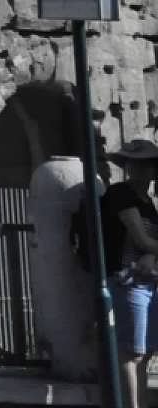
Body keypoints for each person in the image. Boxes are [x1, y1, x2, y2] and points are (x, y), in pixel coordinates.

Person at [107, 139, 158, 404]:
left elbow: (150, 245)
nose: (138, 168)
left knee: (146, 352)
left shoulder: (147, 201)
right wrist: (150, 252)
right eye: (133, 163)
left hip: (149, 280)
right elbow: (141, 239)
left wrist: (151, 255)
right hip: (128, 280)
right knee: (132, 353)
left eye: (146, 163)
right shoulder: (120, 194)